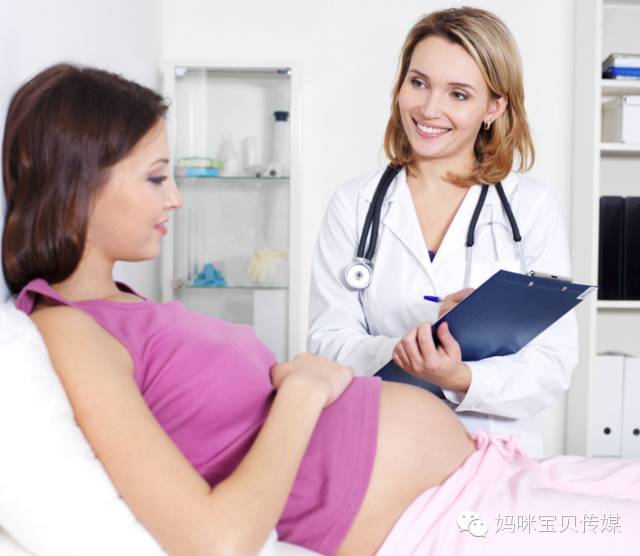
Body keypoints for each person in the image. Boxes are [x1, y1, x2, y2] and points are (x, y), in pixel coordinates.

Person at [4, 63, 640, 556]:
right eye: (154, 177)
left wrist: (455, 364)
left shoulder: (120, 305)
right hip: (434, 519)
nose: (174, 198)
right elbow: (217, 541)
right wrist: (305, 390)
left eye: (458, 92)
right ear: (78, 182)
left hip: (478, 471)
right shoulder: (67, 330)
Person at [307, 7, 577, 457]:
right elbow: (327, 344)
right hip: (383, 448)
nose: (429, 109)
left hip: (494, 453)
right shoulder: (354, 204)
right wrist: (414, 350)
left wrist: (460, 376)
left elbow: (552, 364)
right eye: (418, 83)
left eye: (458, 94)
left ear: (494, 106)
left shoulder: (530, 206)